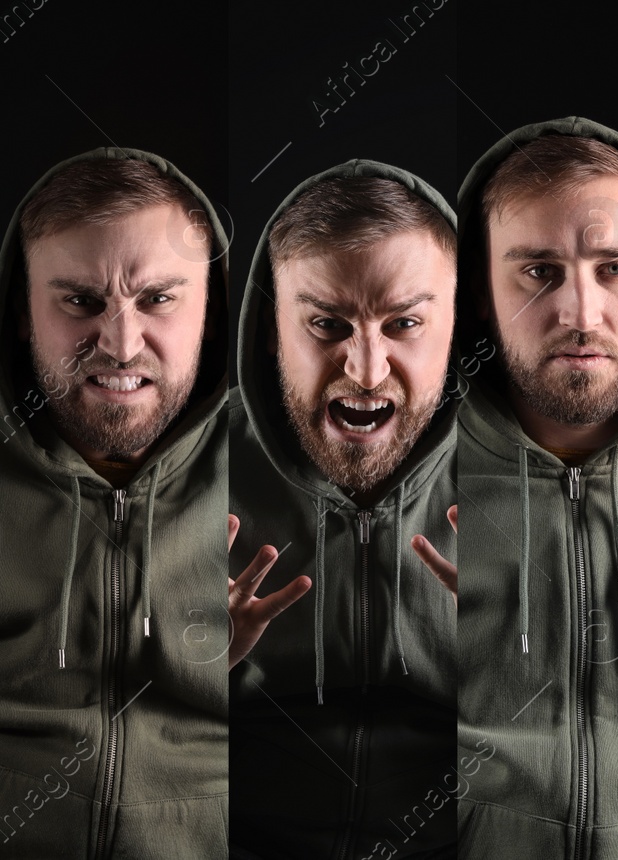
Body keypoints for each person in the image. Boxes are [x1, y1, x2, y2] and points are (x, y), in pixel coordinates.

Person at [451, 118, 618, 858]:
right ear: (480, 290)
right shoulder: (403, 469)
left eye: (615, 269)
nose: (580, 314)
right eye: (537, 272)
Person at [227, 162, 460, 858]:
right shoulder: (187, 470)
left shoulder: (524, 474)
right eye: (327, 323)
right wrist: (191, 662)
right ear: (272, 327)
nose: (364, 368)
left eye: (406, 323)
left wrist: (515, 658)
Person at [0, 149, 229, 857]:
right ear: (20, 311)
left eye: (158, 299)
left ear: (209, 314)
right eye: (80, 301)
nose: (121, 344)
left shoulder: (279, 478)